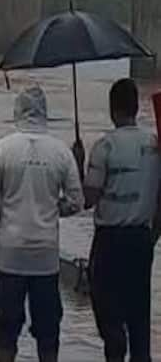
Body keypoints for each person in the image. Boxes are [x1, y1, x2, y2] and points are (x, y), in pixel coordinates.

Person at [0, 85, 84, 362]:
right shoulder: (61, 153)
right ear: (45, 113)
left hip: (9, 256)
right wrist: (52, 209)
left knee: (6, 329)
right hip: (45, 259)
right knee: (48, 331)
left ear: (18, 111)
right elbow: (76, 201)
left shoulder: (2, 149)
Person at [82, 78, 161, 362]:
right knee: (139, 315)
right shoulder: (155, 145)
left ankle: (115, 342)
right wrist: (153, 235)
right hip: (141, 240)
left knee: (105, 306)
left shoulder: (104, 147)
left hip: (109, 241)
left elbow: (88, 198)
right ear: (136, 107)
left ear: (112, 109)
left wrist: (79, 162)